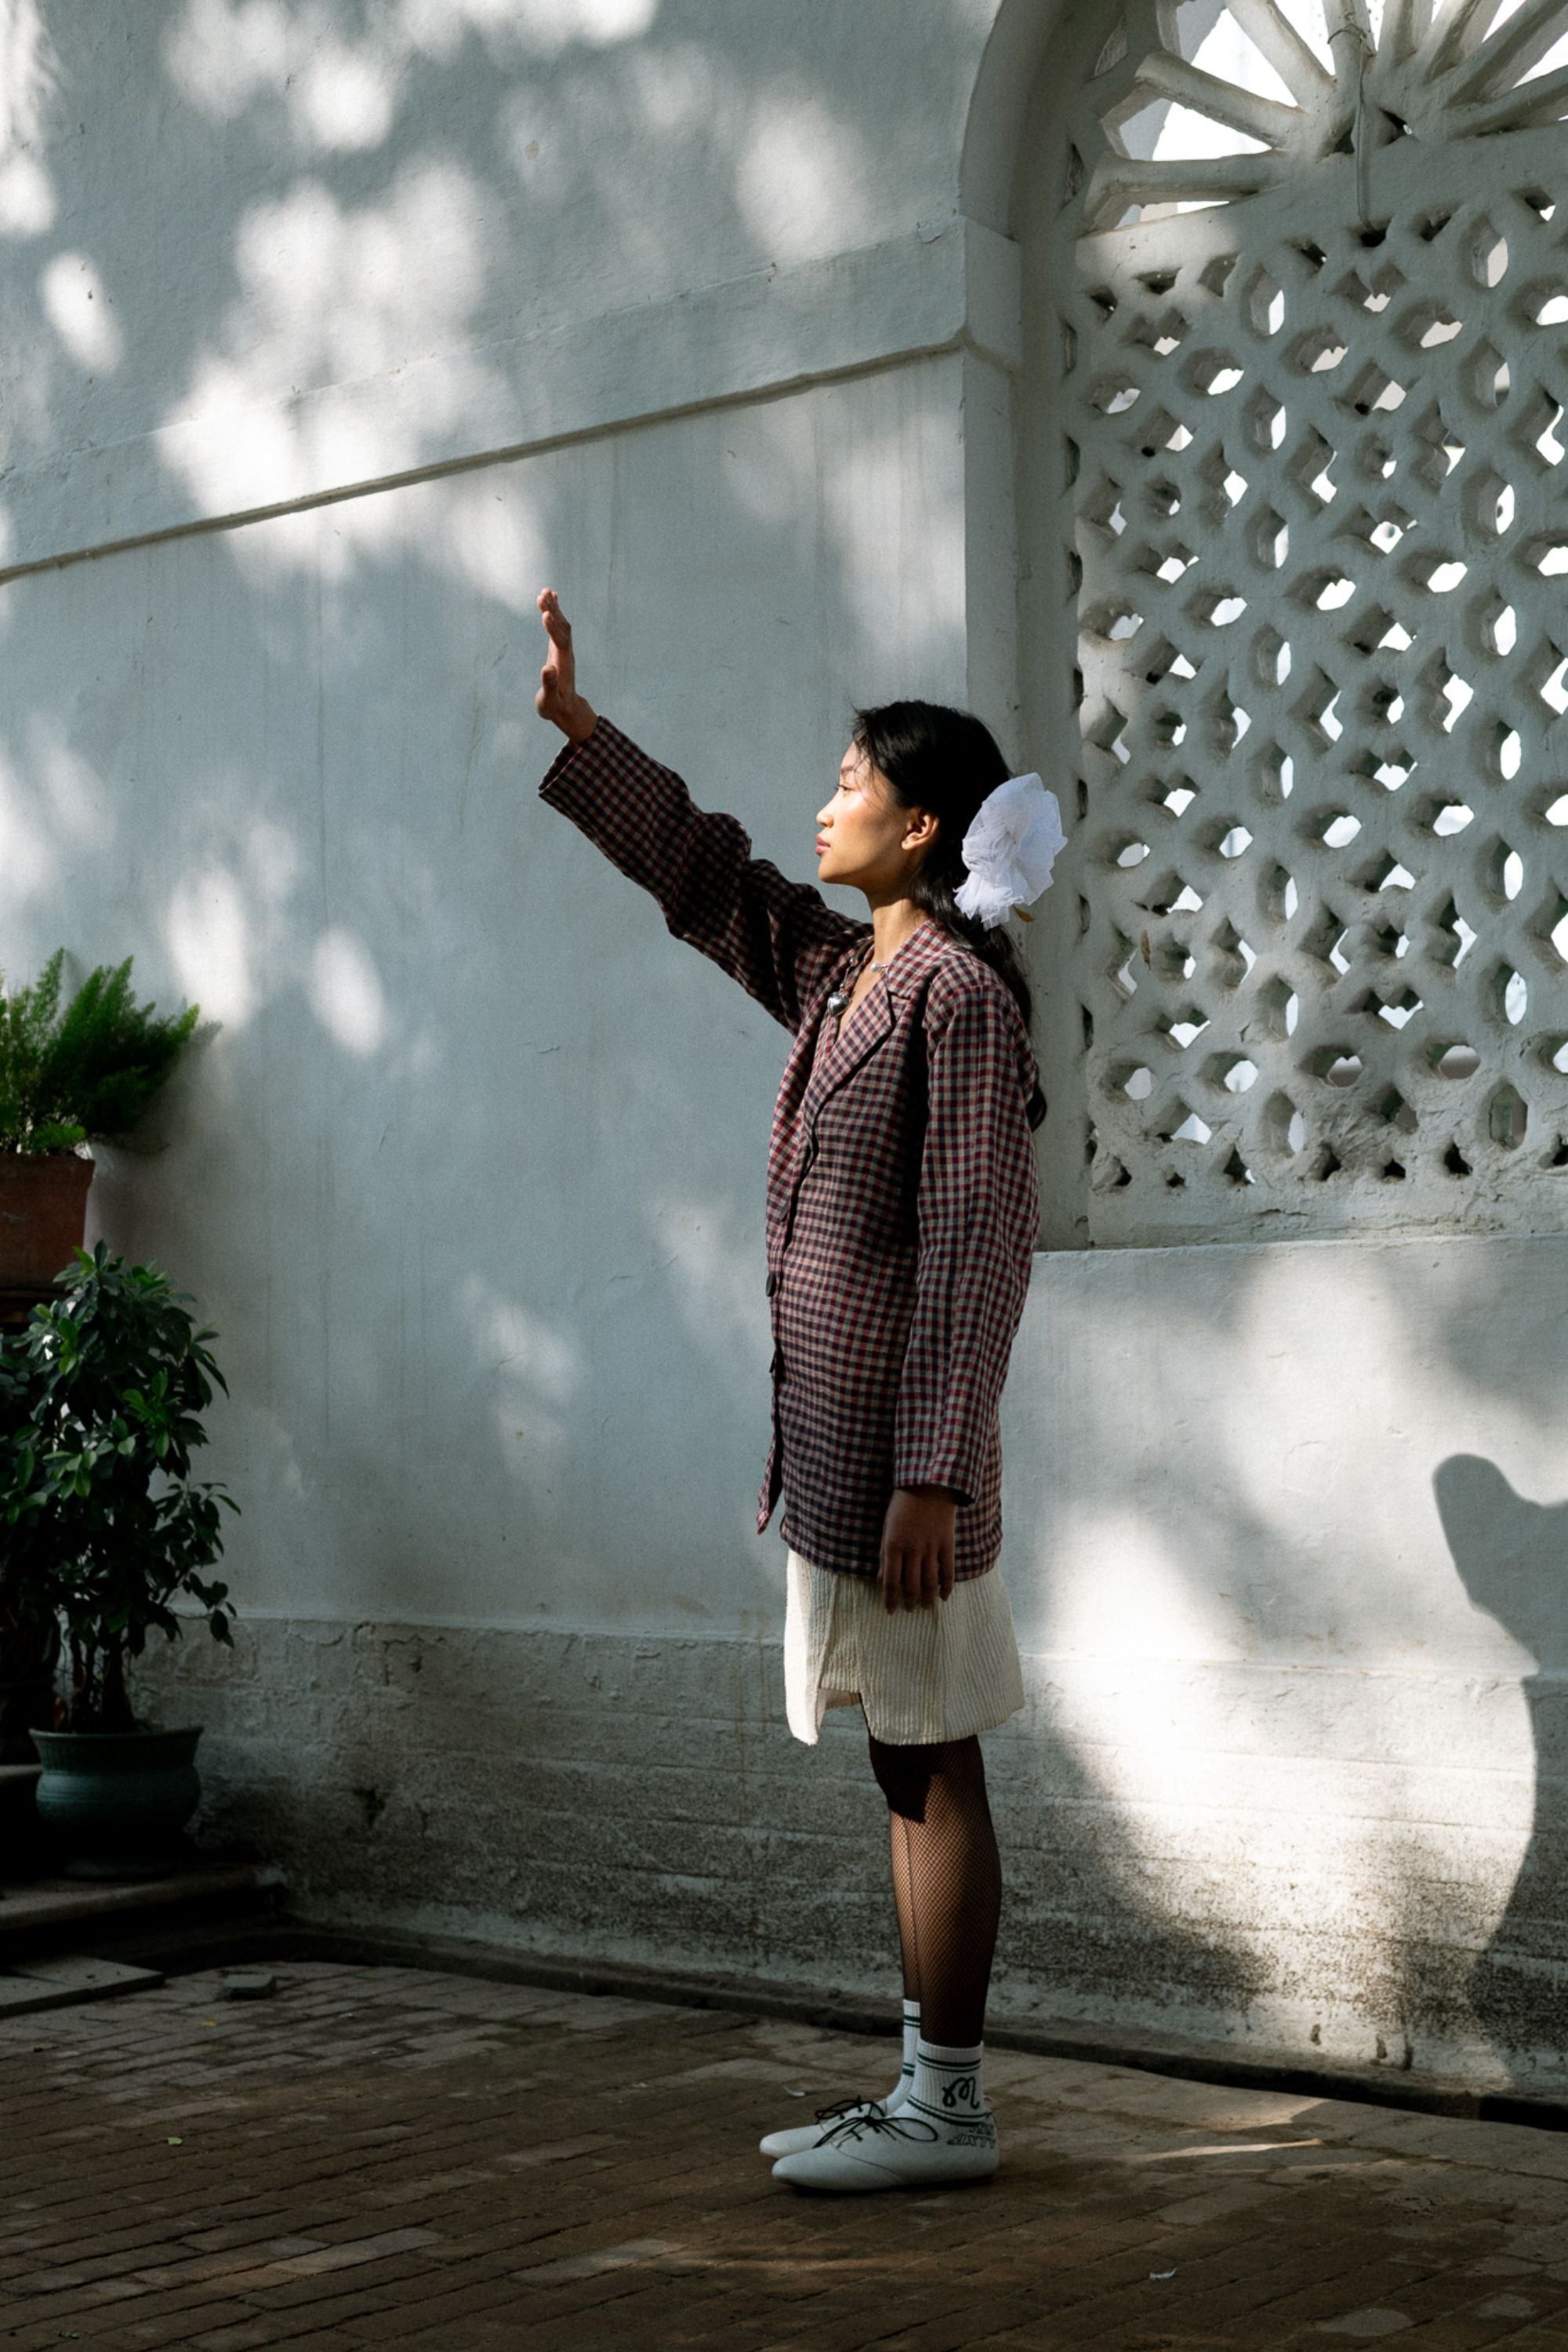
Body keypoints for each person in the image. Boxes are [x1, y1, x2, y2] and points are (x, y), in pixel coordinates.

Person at [533, 586, 1062, 2193]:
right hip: (843, 1463)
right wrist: (580, 731)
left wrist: (929, 1473)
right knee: (904, 1757)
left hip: (901, 1478)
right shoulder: (850, 973)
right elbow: (708, 877)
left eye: (851, 781)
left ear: (919, 831)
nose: (823, 798)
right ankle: (922, 2092)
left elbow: (975, 1252)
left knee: (929, 1753)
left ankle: (943, 2107)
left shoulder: (955, 1000)